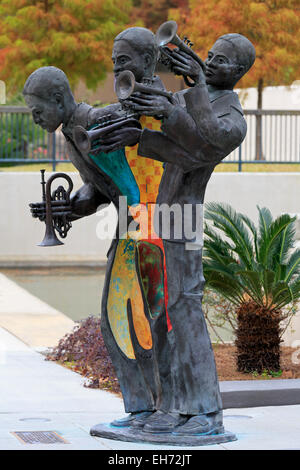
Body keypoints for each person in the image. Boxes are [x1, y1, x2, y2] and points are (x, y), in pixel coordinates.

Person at [101, 33, 256, 434]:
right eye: (209, 56)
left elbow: (201, 147)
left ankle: (205, 413)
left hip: (184, 217)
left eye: (220, 61)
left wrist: (192, 92)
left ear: (238, 73)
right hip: (163, 214)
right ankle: (168, 407)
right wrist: (144, 119)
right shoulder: (195, 99)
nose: (209, 63)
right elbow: (178, 136)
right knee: (159, 314)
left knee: (185, 310)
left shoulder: (233, 118)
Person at [24, 27, 176, 428]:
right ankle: (144, 409)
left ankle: (165, 408)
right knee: (120, 322)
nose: (35, 118)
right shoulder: (72, 136)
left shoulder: (90, 120)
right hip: (131, 226)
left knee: (146, 321)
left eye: (38, 110)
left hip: (150, 224)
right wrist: (68, 208)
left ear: (58, 100)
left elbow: (129, 126)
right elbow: (101, 188)